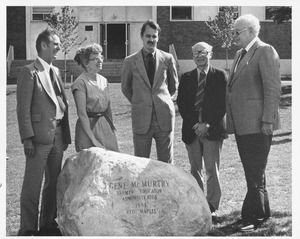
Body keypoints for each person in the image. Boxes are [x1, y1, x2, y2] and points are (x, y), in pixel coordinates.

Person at [227, 14, 281, 232]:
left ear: (250, 31)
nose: (233, 36)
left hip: (259, 125)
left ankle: (253, 217)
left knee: (254, 173)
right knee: (255, 171)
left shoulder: (265, 51)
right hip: (243, 125)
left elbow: (273, 89)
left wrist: (268, 120)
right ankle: (263, 212)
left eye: (236, 32)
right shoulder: (241, 54)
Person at [16, 28, 71, 236]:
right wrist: (27, 138)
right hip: (37, 139)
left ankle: (47, 225)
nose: (59, 47)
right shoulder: (28, 71)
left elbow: (62, 103)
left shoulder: (56, 71)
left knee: (53, 184)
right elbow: (23, 108)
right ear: (44, 45)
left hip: (57, 137)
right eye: (55, 44)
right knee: (33, 185)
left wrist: (64, 134)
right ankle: (28, 228)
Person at [177, 42, 227, 222]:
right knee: (195, 169)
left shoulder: (220, 76)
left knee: (212, 169)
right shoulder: (186, 77)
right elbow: (182, 104)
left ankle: (212, 206)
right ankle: (198, 205)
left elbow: (222, 104)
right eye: (195, 53)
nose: (199, 55)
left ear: (210, 54)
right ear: (192, 56)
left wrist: (207, 125)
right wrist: (196, 125)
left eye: (203, 52)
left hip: (212, 130)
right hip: (192, 130)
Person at [121, 19, 178, 163]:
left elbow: (173, 86)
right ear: (142, 37)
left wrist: (163, 101)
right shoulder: (130, 61)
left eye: (154, 36)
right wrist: (140, 101)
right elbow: (126, 88)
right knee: (140, 163)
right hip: (141, 118)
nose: (151, 39)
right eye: (148, 36)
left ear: (158, 38)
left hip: (164, 118)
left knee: (167, 165)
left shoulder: (167, 58)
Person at [72, 43, 118, 152]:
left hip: (104, 126)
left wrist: (111, 131)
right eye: (96, 59)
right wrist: (93, 139)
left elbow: (108, 108)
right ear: (86, 62)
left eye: (101, 57)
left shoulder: (104, 80)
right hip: (88, 129)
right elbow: (82, 113)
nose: (100, 61)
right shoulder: (80, 83)